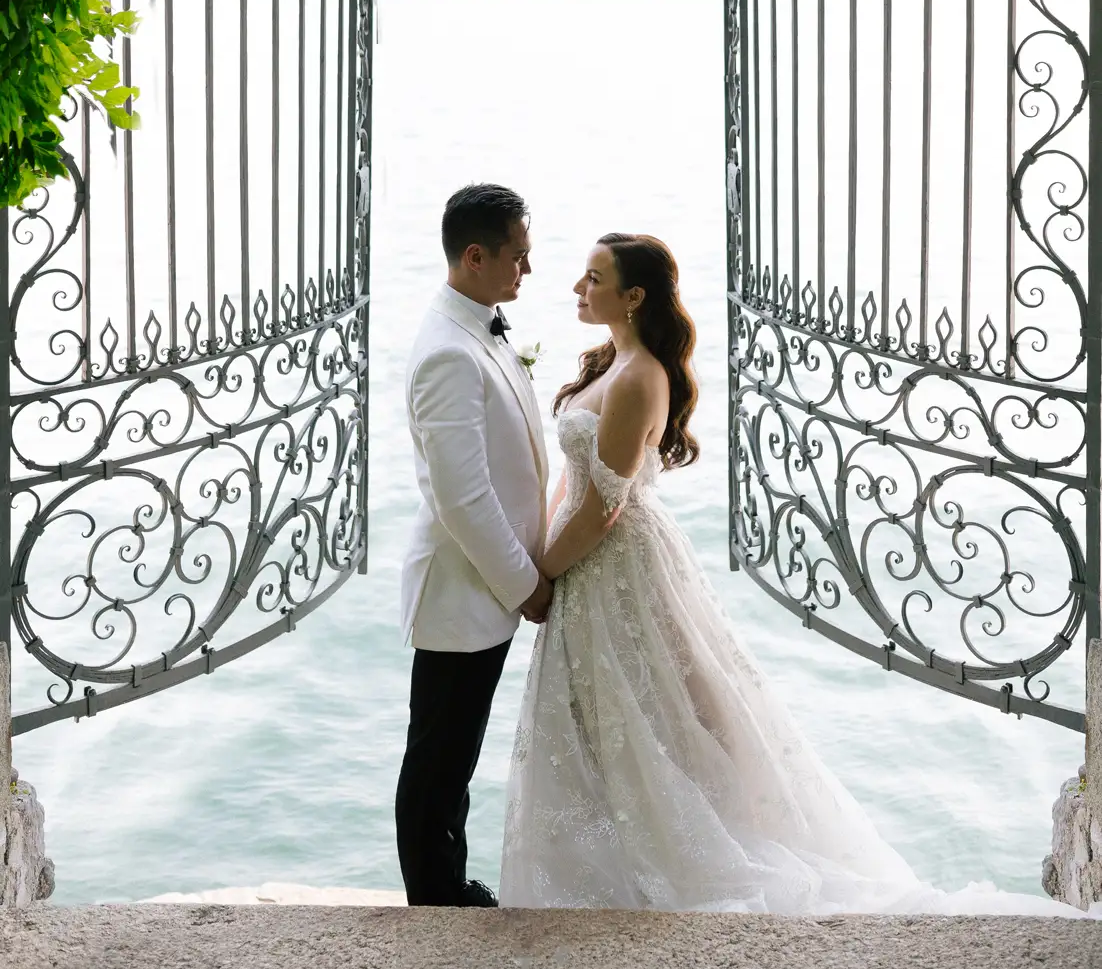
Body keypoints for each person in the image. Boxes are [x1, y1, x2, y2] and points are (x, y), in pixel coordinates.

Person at [499, 233, 1082, 916]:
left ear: (633, 295)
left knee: (645, 713)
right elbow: (574, 481)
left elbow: (602, 506)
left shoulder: (638, 377)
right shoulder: (609, 363)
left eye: (594, 277)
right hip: (588, 563)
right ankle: (621, 865)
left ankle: (662, 861)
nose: (578, 286)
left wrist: (538, 578)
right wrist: (533, 548)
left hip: (611, 561)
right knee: (614, 716)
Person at [395, 184, 551, 908]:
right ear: (475, 255)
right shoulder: (446, 353)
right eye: (517, 256)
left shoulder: (479, 323)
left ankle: (447, 881)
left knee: (454, 752)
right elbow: (462, 497)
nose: (527, 269)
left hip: (485, 588)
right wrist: (524, 584)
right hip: (467, 588)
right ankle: (434, 899)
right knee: (439, 760)